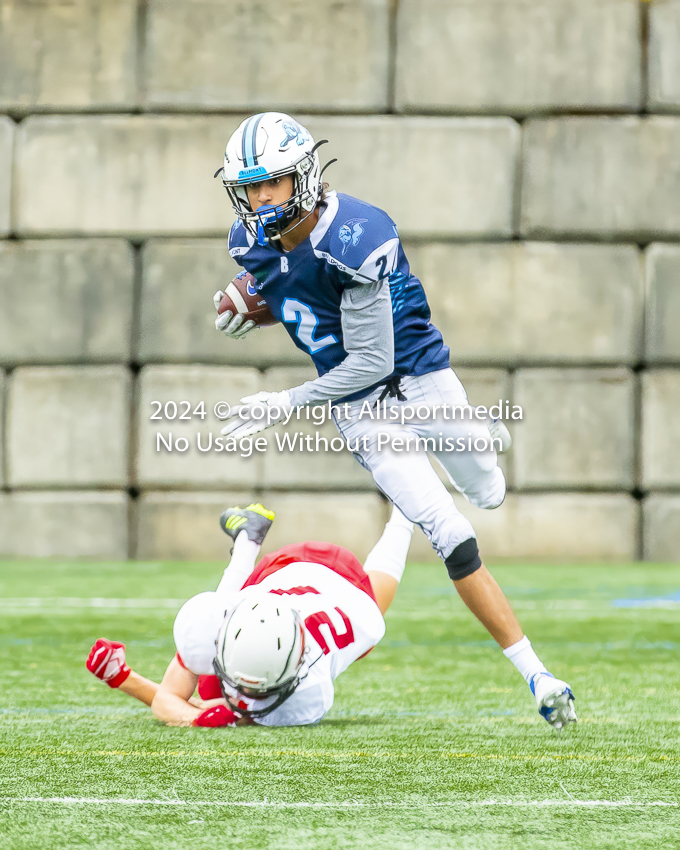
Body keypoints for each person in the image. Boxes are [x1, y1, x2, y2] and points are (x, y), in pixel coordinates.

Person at [211, 113, 577, 729]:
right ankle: (537, 674)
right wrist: (258, 300)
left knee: (488, 489)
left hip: (415, 376)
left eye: (271, 183)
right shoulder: (251, 241)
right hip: (358, 408)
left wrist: (285, 402)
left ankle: (478, 438)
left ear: (301, 176)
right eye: (250, 187)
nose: (259, 199)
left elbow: (372, 359)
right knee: (451, 531)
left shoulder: (356, 233)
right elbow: (295, 291)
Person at [86, 502, 416, 727]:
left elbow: (203, 711)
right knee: (213, 688)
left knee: (211, 691)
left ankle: (405, 513)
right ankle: (248, 539)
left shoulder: (308, 694)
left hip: (342, 586)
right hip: (278, 575)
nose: (245, 698)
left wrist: (123, 679)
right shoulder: (217, 624)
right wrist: (125, 680)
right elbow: (174, 703)